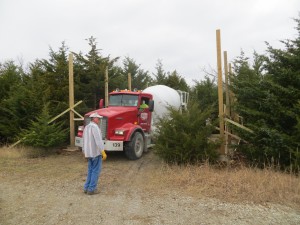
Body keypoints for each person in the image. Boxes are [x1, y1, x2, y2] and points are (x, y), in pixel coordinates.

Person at [82, 112, 107, 195]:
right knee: (95, 171)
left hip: (88, 153)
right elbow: (98, 140)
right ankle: (92, 189)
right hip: (96, 153)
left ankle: (86, 187)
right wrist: (102, 151)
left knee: (90, 170)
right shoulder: (95, 127)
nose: (99, 120)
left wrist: (84, 151)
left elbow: (84, 140)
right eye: (98, 118)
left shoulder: (86, 127)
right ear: (94, 118)